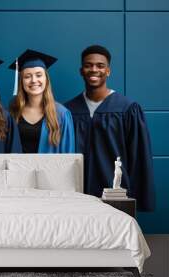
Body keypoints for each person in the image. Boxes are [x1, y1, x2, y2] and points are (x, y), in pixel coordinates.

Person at [65, 45, 155, 211]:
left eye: (100, 65)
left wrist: (137, 195)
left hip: (115, 193)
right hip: (77, 193)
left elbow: (138, 156)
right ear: (81, 71)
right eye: (88, 65)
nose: (94, 69)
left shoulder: (127, 108)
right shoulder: (68, 110)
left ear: (108, 71)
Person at [9, 49, 74, 153]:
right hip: (18, 168)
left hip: (51, 169)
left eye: (39, 75)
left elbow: (68, 152)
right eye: (27, 76)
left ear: (46, 79)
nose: (34, 80)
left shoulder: (61, 114)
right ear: (21, 82)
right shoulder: (12, 112)